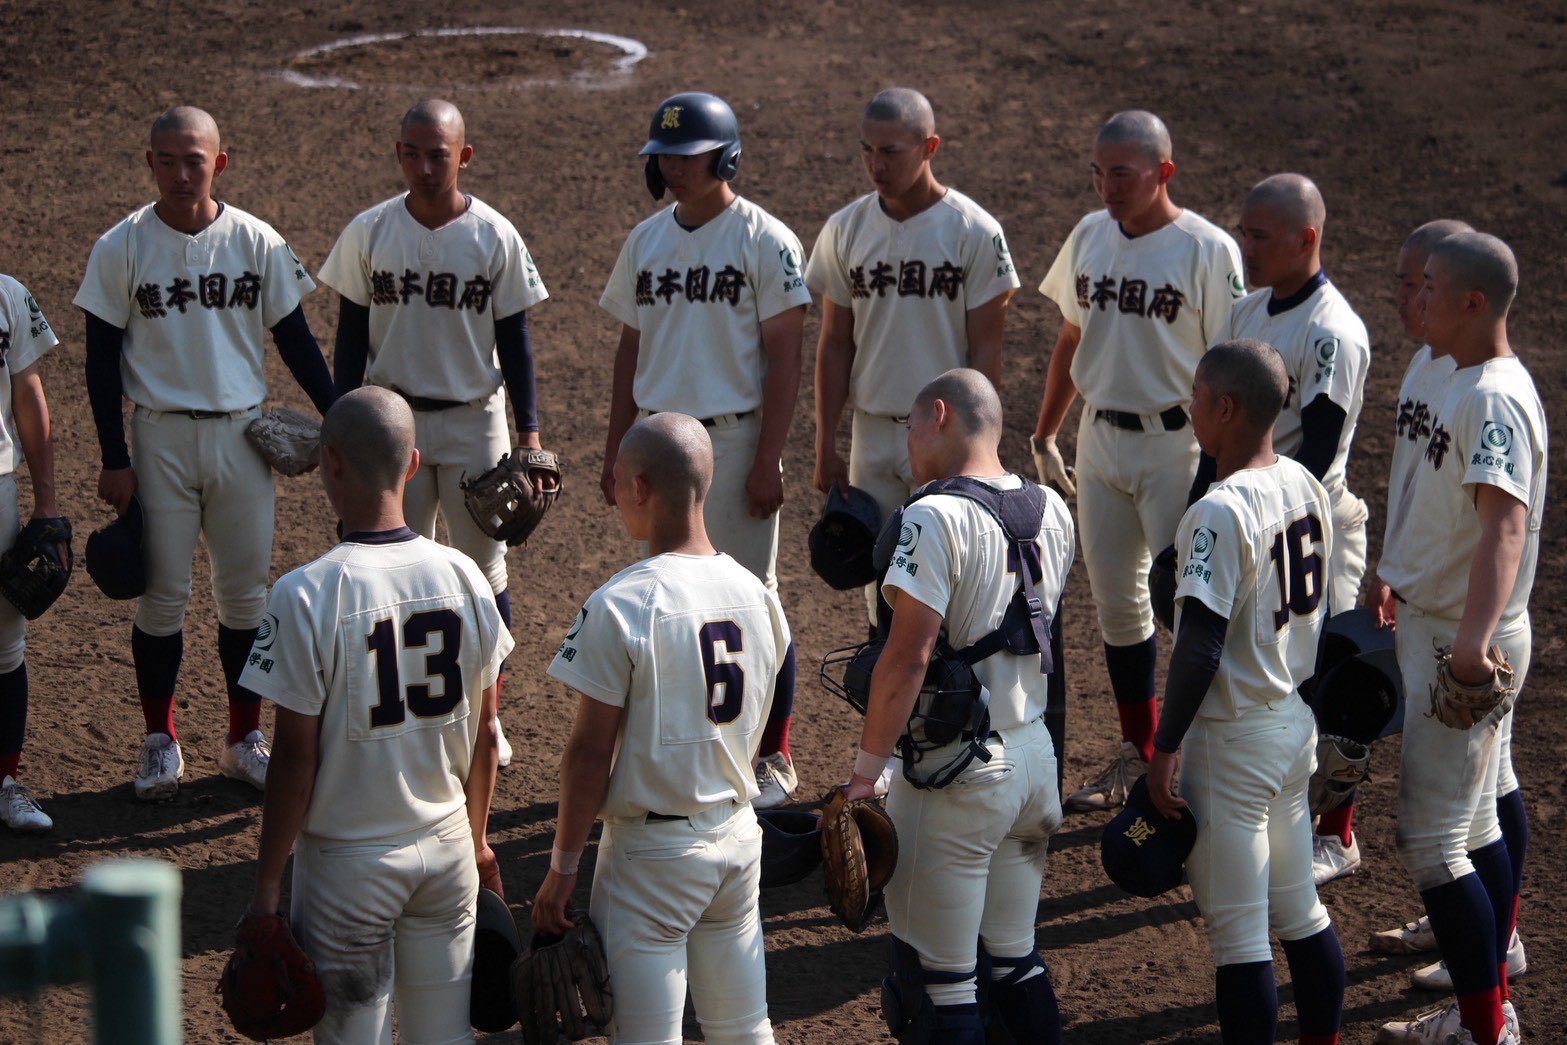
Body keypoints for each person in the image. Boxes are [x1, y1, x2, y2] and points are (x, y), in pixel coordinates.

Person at [76, 106, 336, 801]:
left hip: (241, 438)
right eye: (168, 159)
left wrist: (339, 412)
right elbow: (100, 362)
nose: (182, 172)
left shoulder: (256, 240)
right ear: (150, 164)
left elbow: (295, 339)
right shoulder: (121, 246)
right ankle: (160, 738)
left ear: (219, 163)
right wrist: (114, 454)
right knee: (162, 597)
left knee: (245, 596)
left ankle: (241, 736)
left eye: (196, 159)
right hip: (158, 435)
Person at [240, 387, 512, 1042]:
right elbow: (484, 731)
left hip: (347, 869)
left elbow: (296, 760)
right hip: (446, 848)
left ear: (330, 463)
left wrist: (267, 889)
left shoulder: (304, 593)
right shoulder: (467, 576)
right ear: (414, 464)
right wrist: (474, 840)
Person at [535, 412, 791, 1044]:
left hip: (651, 861)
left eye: (618, 480)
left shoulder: (623, 601)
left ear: (639, 488)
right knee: (746, 1029)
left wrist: (563, 867)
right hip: (736, 839)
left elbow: (589, 755)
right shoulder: (758, 593)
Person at [321, 98, 552, 770]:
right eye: (412, 153)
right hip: (389, 424)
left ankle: (486, 717)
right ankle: (395, 710)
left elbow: (517, 341)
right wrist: (343, 416)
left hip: (474, 419)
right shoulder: (370, 231)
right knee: (387, 568)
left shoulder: (493, 236)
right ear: (398, 154)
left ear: (464, 155)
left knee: (483, 573)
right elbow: (348, 334)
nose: (425, 167)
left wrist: (528, 432)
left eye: (439, 155)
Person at [843, 369, 1072, 1043]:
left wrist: (865, 773)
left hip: (957, 778)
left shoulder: (932, 516)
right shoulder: (1053, 509)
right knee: (1015, 959)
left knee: (938, 986)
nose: (907, 444)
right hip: (1032, 760)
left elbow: (907, 658)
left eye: (909, 426)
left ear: (938, 414)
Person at [1029, 110, 1244, 812]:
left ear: (1163, 172)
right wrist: (1044, 432)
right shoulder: (1090, 235)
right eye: (1097, 172)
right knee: (1119, 608)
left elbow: (1231, 365)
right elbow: (1070, 336)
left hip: (1176, 445)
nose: (1106, 187)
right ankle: (1139, 748)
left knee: (1192, 610)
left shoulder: (1205, 250)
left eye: (1120, 173)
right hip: (1099, 439)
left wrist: (1223, 468)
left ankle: (1205, 760)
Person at [598, 92, 809, 808]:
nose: (671, 168)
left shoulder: (764, 240)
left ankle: (773, 751)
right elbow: (630, 351)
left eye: (686, 156)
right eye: (662, 157)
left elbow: (786, 359)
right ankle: (676, 743)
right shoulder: (646, 240)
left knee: (755, 603)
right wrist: (614, 448)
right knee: (664, 601)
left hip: (735, 438)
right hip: (657, 443)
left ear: (725, 158)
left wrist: (766, 456)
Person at [1146, 339, 1345, 1045]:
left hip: (1230, 740)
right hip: (1290, 722)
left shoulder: (1219, 509)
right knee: (1299, 911)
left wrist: (1161, 748)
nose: (1190, 409)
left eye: (1197, 398)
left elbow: (1198, 646)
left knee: (1239, 940)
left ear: (1223, 407)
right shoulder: (1304, 482)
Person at [1373, 233, 1541, 1045]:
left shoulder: (1492, 396)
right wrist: (1392, 566)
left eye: (1430, 286)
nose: (1416, 297)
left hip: (1460, 633)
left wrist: (1471, 644)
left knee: (1432, 840)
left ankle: (1484, 1027)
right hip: (1434, 614)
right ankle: (1490, 986)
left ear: (1473, 302)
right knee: (1472, 824)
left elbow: (1503, 527)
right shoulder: (1441, 367)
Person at [805, 87, 1020, 622]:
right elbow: (835, 341)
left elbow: (986, 348)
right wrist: (825, 439)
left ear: (929, 147)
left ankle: (942, 704)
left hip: (949, 436)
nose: (876, 165)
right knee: (878, 591)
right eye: (867, 150)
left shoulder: (974, 231)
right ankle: (887, 702)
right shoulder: (845, 229)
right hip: (874, 433)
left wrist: (981, 444)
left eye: (891, 151)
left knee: (948, 583)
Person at [1215, 174, 1372, 884]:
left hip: (1312, 521)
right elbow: (1215, 426)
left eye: (1258, 234)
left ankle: (1334, 835)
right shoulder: (1245, 309)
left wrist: (1246, 501)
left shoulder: (1331, 330)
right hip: (1253, 507)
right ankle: (1270, 812)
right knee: (1261, 671)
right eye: (1242, 231)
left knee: (1324, 680)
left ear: (1305, 237)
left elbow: (1319, 445)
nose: (1244, 246)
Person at [0, 275, 64, 833]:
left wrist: (45, 501)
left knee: (4, 641)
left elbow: (28, 392)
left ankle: (5, 780)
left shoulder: (8, 294)